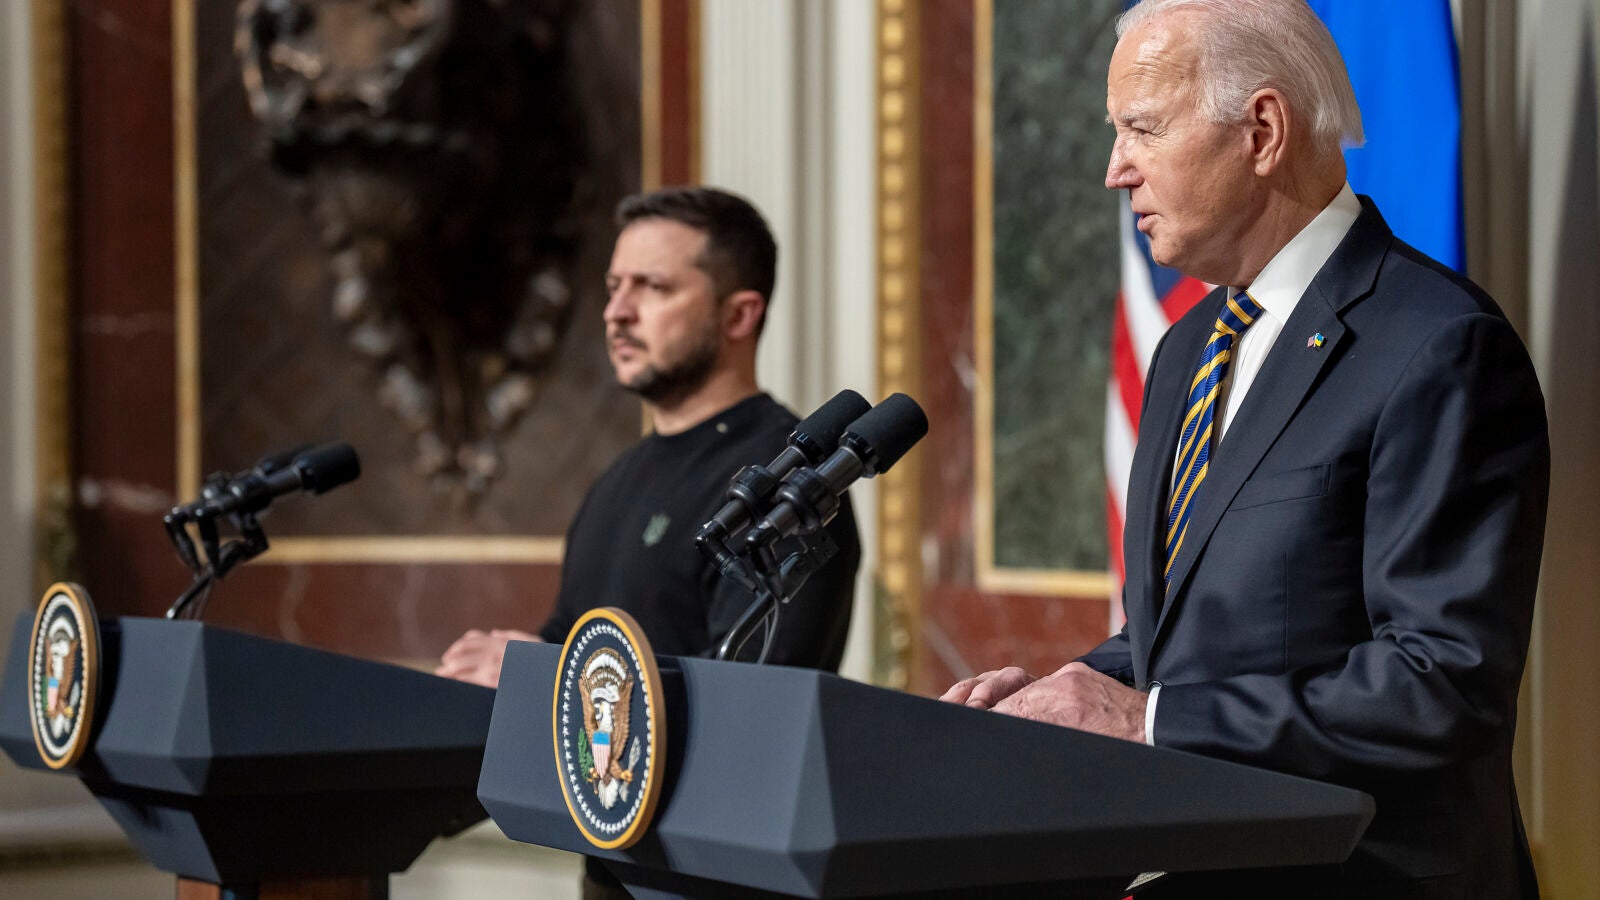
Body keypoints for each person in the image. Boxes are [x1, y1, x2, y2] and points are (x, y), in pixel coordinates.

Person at [941, 1, 1548, 896]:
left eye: (1142, 129)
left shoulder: (1437, 345)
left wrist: (1147, 721)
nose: (1115, 170)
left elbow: (1441, 683)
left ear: (1262, 131)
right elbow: (1189, 639)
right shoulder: (1187, 349)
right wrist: (1060, 696)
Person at [438, 186, 860, 688]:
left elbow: (757, 693)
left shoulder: (790, 482)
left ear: (738, 315)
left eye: (653, 287)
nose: (616, 312)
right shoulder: (618, 479)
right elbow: (569, 639)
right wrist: (496, 673)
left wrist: (545, 675)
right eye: (614, 287)